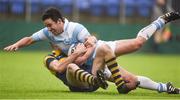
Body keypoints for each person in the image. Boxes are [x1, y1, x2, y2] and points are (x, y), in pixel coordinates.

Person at [4, 7, 180, 93]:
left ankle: (161, 20)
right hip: (85, 64)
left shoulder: (76, 28)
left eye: (50, 26)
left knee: (137, 44)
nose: (48, 31)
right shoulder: (48, 36)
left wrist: (83, 53)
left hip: (96, 52)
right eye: (46, 28)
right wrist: (17, 45)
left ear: (59, 21)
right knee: (131, 81)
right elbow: (30, 39)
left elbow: (91, 43)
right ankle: (110, 82)